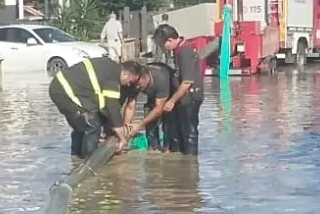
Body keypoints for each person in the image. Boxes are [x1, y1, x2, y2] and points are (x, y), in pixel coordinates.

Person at [48, 55, 142, 158]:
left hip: (59, 88)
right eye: (130, 81)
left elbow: (103, 107)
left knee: (81, 127)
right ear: (126, 75)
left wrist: (111, 129)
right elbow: (112, 107)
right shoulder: (113, 78)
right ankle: (89, 162)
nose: (128, 85)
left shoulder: (109, 67)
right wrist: (122, 138)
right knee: (92, 126)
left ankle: (76, 159)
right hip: (66, 90)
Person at [151, 24, 204, 155]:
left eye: (162, 44)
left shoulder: (185, 52)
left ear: (169, 40)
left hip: (190, 97)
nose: (163, 48)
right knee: (180, 132)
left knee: (189, 133)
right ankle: (182, 164)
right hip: (182, 98)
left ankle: (191, 162)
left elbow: (187, 82)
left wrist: (172, 101)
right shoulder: (178, 51)